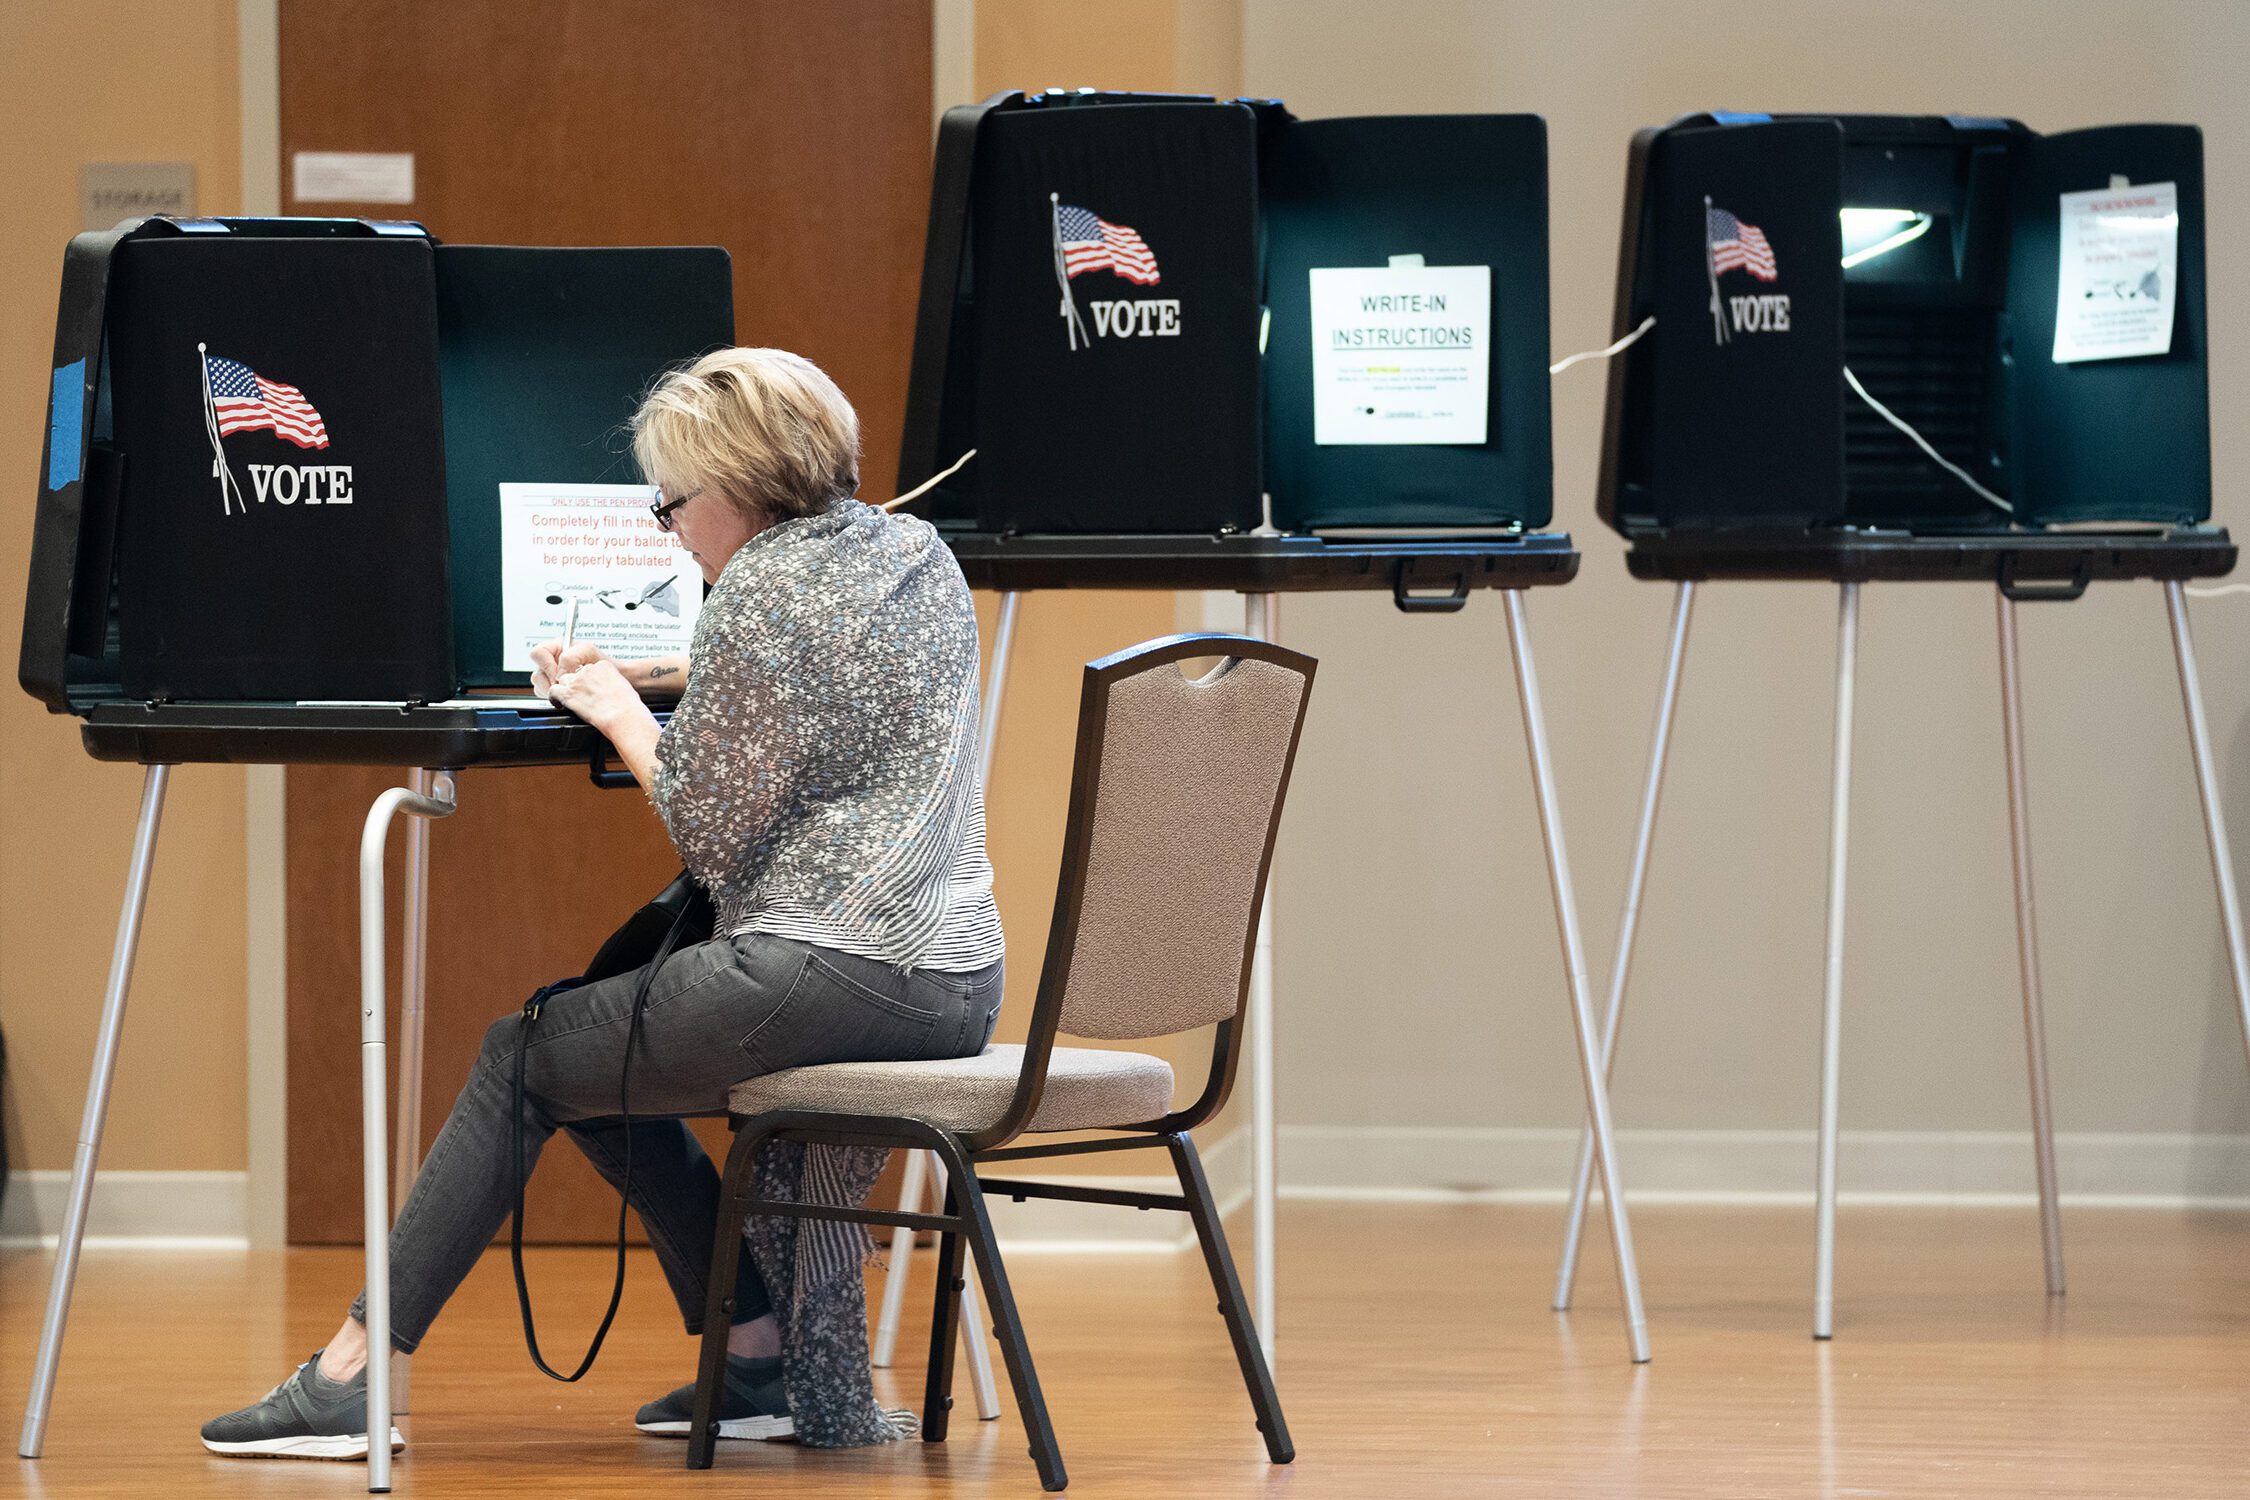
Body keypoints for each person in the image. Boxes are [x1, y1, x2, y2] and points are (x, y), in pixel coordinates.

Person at [201, 348, 1005, 1460]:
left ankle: (353, 1373)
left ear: (731, 489)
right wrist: (666, 680)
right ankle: (759, 1357)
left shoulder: (760, 588)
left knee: (522, 1055)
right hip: (956, 985)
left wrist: (626, 716)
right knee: (601, 1060)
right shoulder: (917, 551)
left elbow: (710, 830)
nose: (670, 531)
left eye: (671, 505)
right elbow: (829, 695)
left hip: (821, 978)